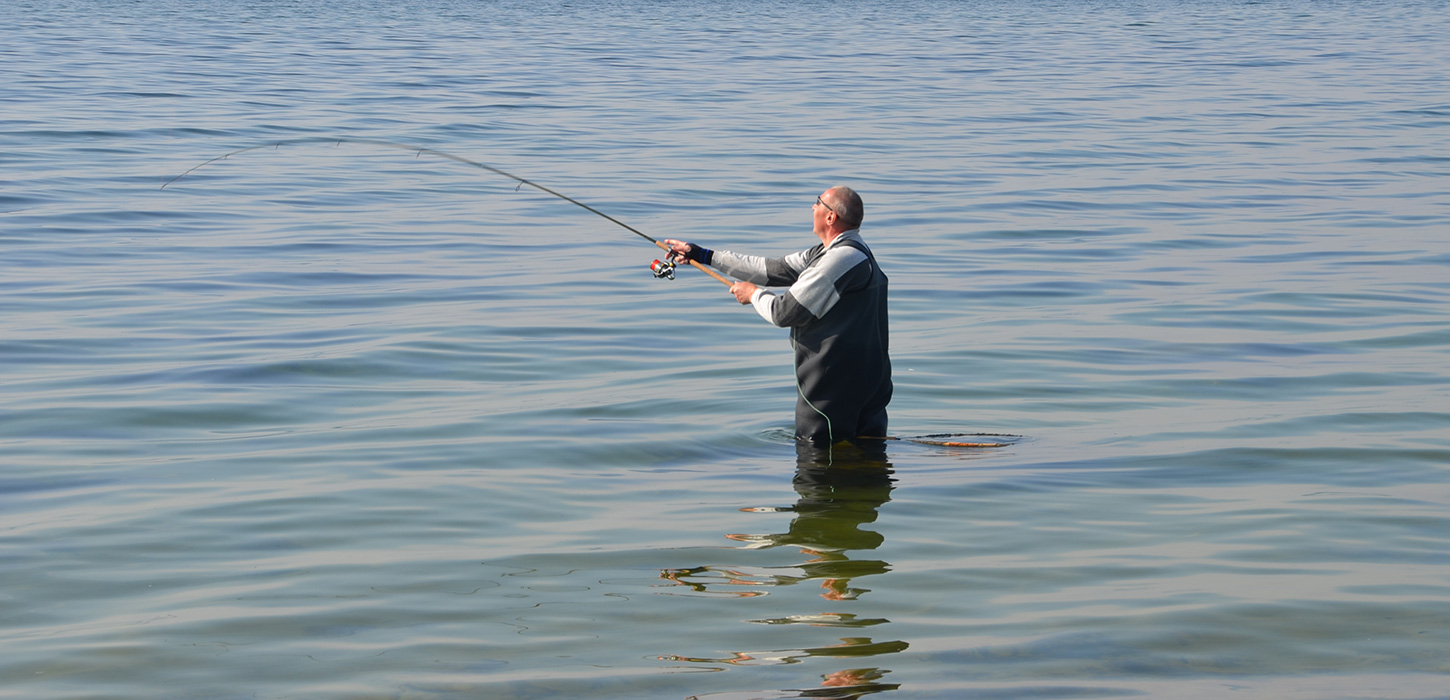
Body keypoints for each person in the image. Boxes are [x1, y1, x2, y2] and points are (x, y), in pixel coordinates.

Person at [663, 186, 892, 446]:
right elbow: (772, 270)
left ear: (831, 218)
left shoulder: (838, 260)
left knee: (816, 467)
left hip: (832, 389)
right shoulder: (843, 252)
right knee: (869, 458)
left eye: (818, 202)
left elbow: (784, 313)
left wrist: (752, 295)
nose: (812, 207)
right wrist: (702, 255)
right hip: (868, 381)